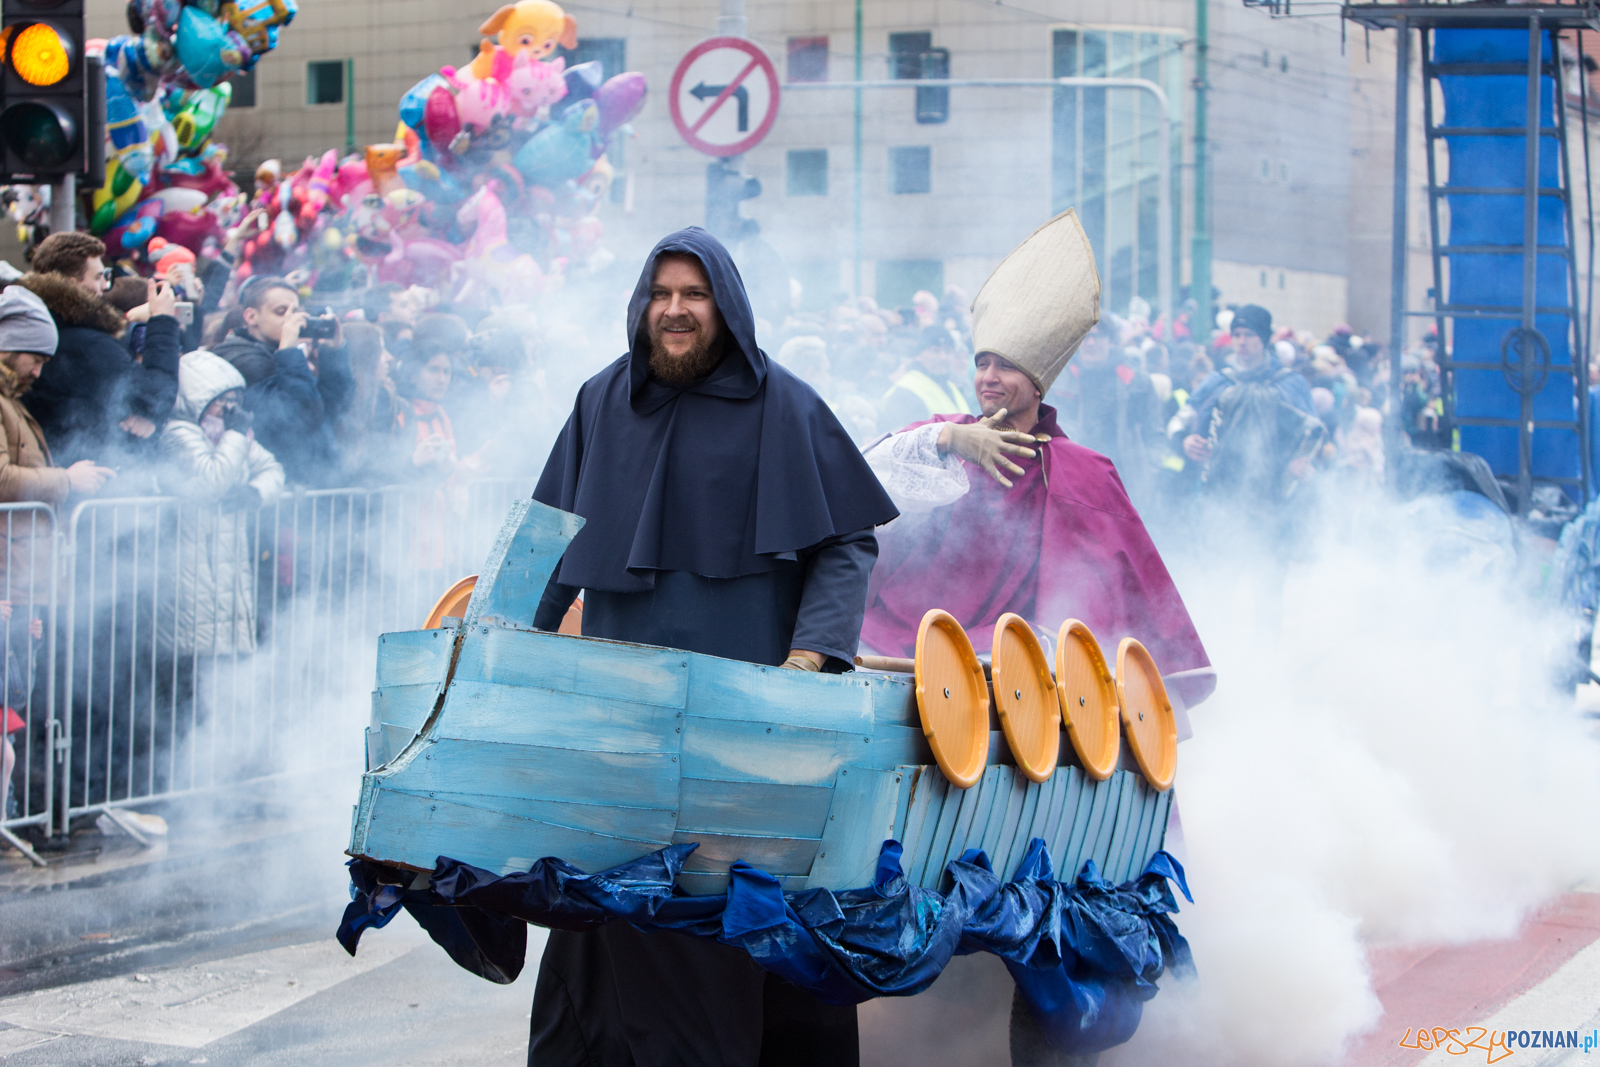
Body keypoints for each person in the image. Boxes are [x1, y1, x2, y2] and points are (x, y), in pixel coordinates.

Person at [526, 227, 898, 1066]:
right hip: (625, 727)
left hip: (750, 730)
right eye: (661, 294)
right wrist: (512, 635)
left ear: (725, 306)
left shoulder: (786, 404)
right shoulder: (598, 400)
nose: (675, 310)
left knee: (752, 925)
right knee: (616, 914)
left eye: (693, 295)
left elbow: (846, 542)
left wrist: (811, 659)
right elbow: (551, 536)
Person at [859, 211, 1209, 1067]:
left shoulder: (1089, 474)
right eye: (981, 362)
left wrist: (1150, 695)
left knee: (1065, 886)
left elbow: (1134, 593)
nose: (988, 380)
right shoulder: (941, 447)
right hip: (942, 673)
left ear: (1039, 376)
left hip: (1057, 699)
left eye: (1004, 366)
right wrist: (946, 438)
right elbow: (859, 484)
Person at [0, 287, 114, 821]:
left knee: (17, 706)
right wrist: (66, 480)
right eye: (34, 358)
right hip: (10, 580)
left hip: (22, 576)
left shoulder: (12, 404)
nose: (39, 372)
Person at [159, 351, 285, 657]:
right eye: (221, 400)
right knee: (195, 655)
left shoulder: (232, 436)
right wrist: (236, 436)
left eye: (233, 400)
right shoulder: (180, 433)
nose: (229, 408)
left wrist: (254, 492)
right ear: (197, 399)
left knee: (229, 658)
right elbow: (213, 480)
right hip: (193, 562)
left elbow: (273, 469)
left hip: (230, 559)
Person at [16, 233, 182, 466]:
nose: (105, 286)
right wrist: (162, 321)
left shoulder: (44, 331)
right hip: (91, 476)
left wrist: (132, 414)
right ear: (73, 284)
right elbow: (157, 396)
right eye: (98, 277)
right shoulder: (86, 344)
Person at [1175, 303, 1322, 512]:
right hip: (1219, 495)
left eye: (1250, 334)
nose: (1242, 341)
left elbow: (1314, 433)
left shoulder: (1290, 383)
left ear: (1264, 337)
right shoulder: (1217, 382)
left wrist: (1304, 461)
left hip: (1276, 498)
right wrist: (1185, 441)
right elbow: (1180, 421)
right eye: (1236, 334)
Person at [212, 275, 353, 487]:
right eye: (281, 312)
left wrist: (333, 352)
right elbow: (299, 417)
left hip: (314, 481)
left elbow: (333, 408)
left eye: (295, 312)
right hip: (279, 488)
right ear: (251, 317)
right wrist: (288, 350)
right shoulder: (240, 357)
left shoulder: (283, 355)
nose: (290, 319)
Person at [1047, 318, 1165, 508]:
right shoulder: (1060, 380)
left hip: (1125, 482)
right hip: (1072, 483)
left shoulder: (1136, 381)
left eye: (1097, 336)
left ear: (1111, 340)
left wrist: (1150, 473)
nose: (1090, 343)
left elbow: (1154, 433)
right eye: (1085, 337)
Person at [877, 324, 974, 432]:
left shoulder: (950, 386)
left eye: (947, 351)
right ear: (918, 355)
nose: (943, 357)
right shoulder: (905, 391)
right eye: (935, 350)